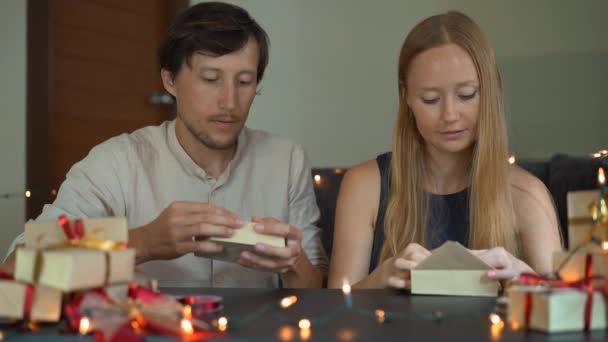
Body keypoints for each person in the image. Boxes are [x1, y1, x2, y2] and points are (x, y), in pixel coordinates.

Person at [2, 1, 327, 288]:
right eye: (211, 79)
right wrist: (142, 243)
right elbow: (17, 267)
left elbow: (317, 291)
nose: (230, 101)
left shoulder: (286, 160)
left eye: (244, 82)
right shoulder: (117, 162)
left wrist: (292, 264)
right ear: (170, 80)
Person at [327, 11, 562, 289]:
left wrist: (524, 276)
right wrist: (381, 278)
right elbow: (338, 309)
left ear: (489, 92)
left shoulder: (527, 195)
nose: (450, 114)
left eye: (466, 95)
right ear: (406, 98)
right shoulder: (365, 186)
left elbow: (569, 313)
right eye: (431, 99)